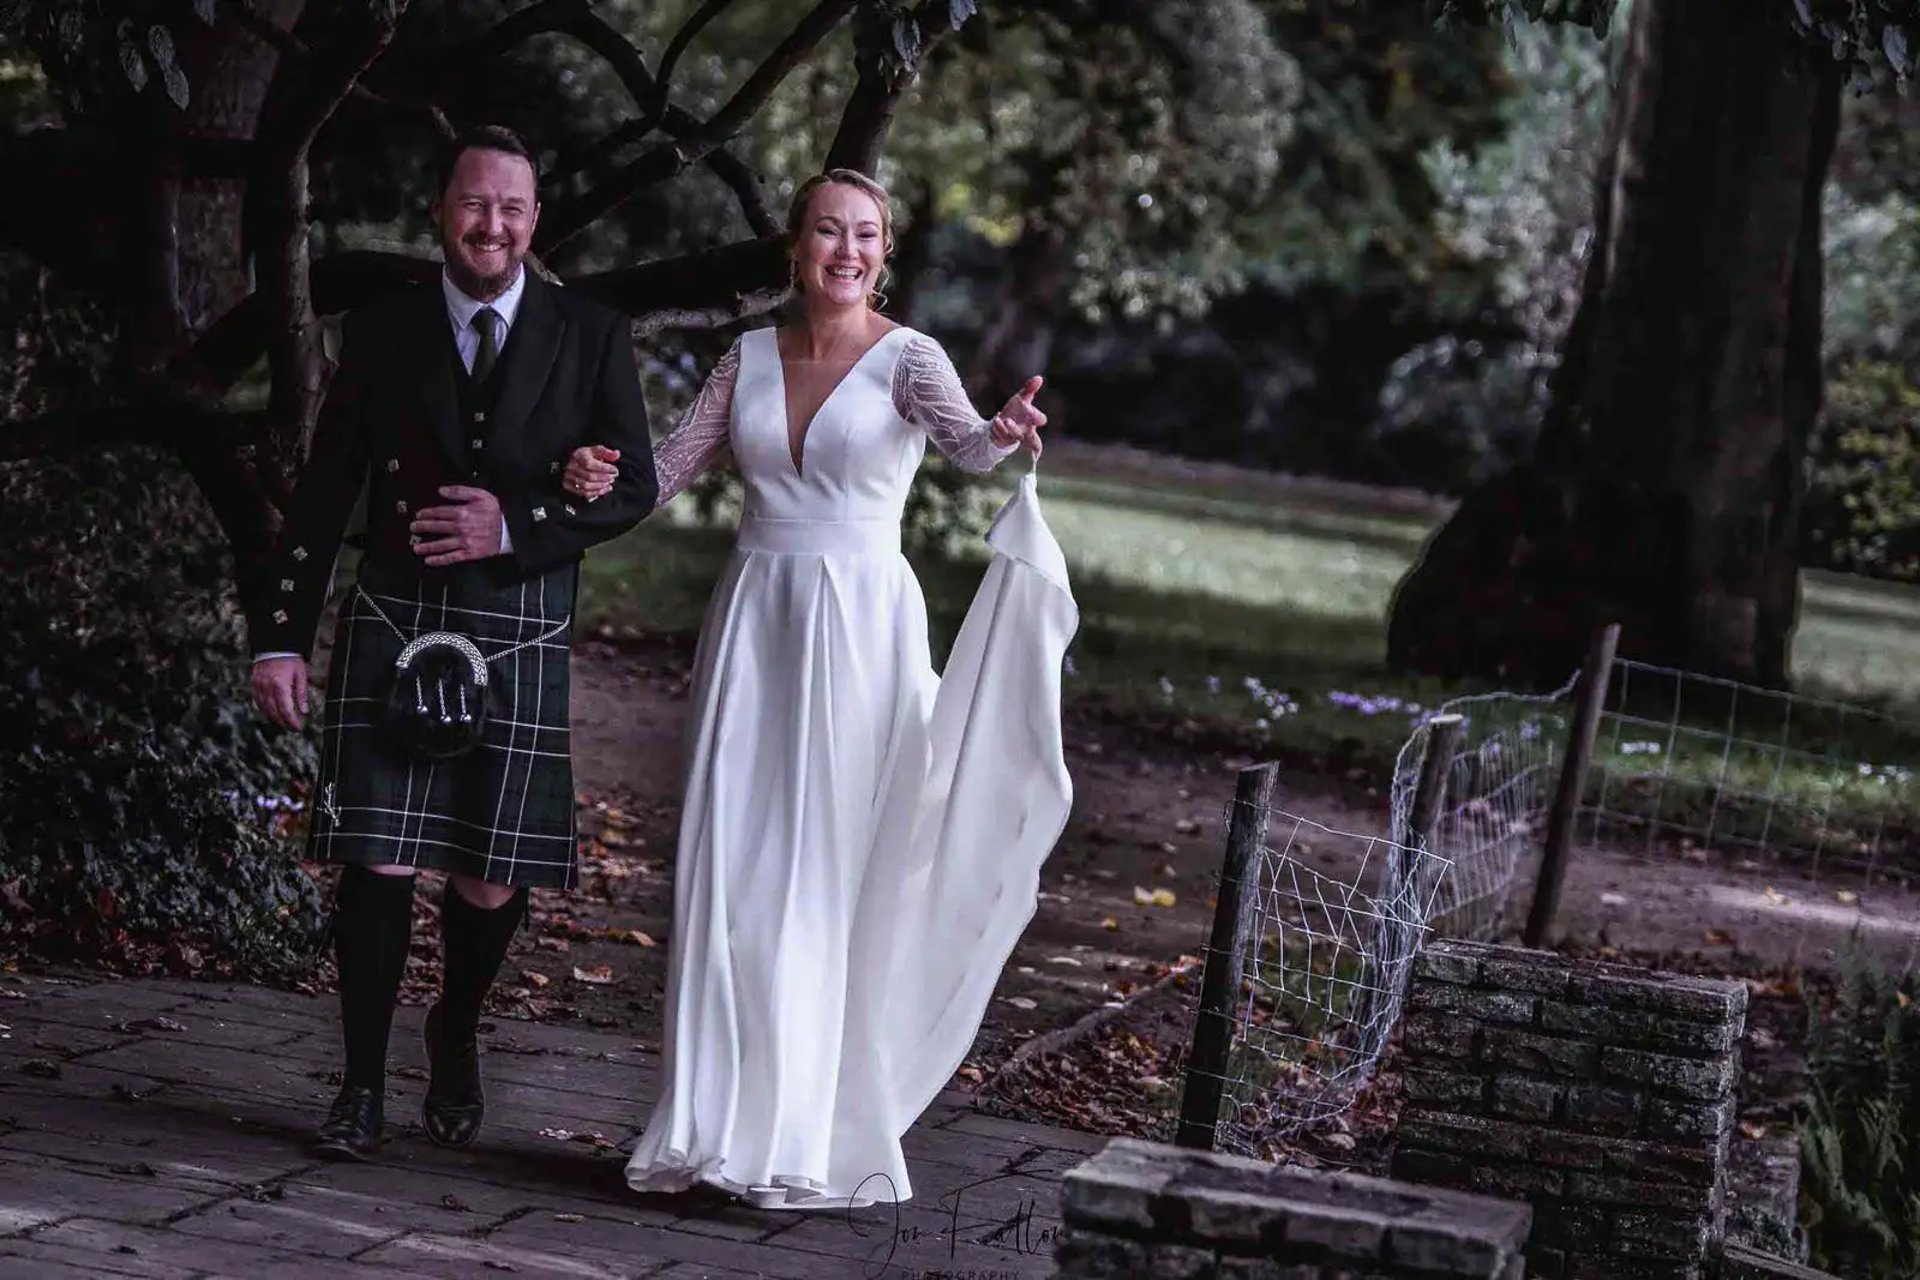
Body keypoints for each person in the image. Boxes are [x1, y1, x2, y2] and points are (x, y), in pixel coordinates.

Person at [561, 169, 1074, 1211]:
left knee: (824, 875)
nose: (846, 249)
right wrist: (582, 481)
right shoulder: (743, 357)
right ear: (795, 245)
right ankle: (708, 1124)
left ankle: (797, 1133)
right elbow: (659, 476)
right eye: (827, 231)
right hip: (757, 622)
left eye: (866, 234)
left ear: (883, 253)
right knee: (735, 872)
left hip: (860, 631)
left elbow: (970, 448)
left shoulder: (909, 358)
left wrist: (1008, 431)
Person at [247, 125, 657, 1161]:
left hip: (518, 623)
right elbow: (324, 490)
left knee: (489, 872)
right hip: (396, 614)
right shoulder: (382, 329)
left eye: (513, 208)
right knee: (376, 860)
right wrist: (281, 637)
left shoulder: (589, 331)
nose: (494, 225)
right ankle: (359, 1083)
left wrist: (517, 525)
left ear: (535, 219)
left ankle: (458, 1032)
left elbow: (637, 486)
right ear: (442, 208)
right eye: (477, 204)